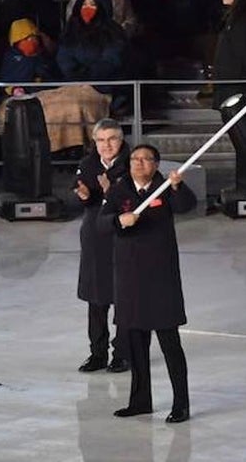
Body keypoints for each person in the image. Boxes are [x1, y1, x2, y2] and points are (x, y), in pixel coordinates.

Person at [98, 144, 195, 423]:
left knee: (170, 345)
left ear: (156, 164)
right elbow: (100, 224)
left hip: (161, 278)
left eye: (146, 159)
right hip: (130, 278)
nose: (139, 163)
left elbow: (186, 206)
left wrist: (177, 187)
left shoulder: (166, 188)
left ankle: (181, 404)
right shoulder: (119, 189)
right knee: (136, 345)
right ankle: (140, 401)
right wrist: (120, 220)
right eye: (134, 159)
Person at [73, 119, 131, 374]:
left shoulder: (133, 163)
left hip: (124, 235)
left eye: (112, 139)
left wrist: (110, 193)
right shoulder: (87, 164)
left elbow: (133, 199)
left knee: (125, 297)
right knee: (96, 297)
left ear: (121, 140)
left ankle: (123, 353)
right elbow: (86, 196)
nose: (107, 145)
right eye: (101, 140)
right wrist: (85, 196)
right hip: (96, 236)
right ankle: (97, 353)